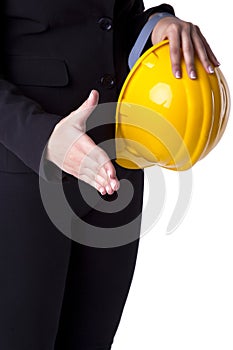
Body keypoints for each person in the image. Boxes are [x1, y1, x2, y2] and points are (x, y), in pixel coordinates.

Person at [0, 1, 219, 349]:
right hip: (22, 174)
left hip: (117, 169)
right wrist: (42, 137)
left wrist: (156, 28)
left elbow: (114, 20)